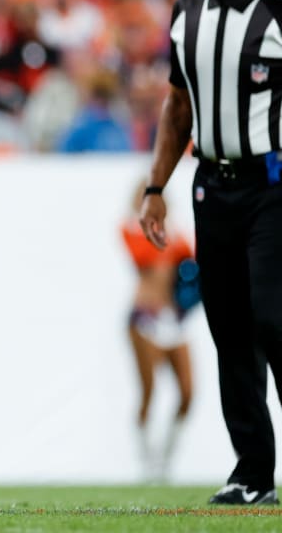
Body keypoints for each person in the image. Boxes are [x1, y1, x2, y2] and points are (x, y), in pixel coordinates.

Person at [139, 0, 282, 507]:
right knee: (230, 330)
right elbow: (178, 105)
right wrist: (155, 186)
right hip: (211, 185)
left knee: (275, 317)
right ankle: (253, 474)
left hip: (277, 182)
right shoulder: (186, 11)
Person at [121, 180, 197, 483]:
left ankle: (167, 457)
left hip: (173, 318)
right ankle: (147, 461)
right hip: (145, 317)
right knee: (149, 391)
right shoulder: (131, 228)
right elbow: (146, 255)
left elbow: (190, 261)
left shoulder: (175, 232)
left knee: (188, 392)